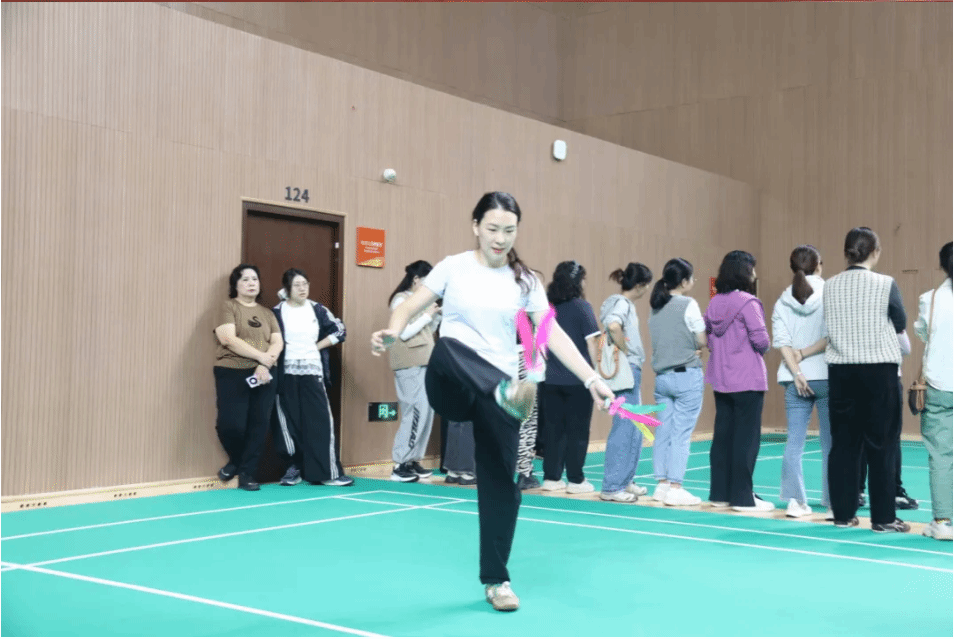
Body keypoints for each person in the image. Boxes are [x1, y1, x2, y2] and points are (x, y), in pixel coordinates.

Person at [371, 191, 614, 612]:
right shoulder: (454, 267)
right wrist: (393, 329)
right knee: (448, 348)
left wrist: (591, 377)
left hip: (498, 396)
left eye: (509, 230)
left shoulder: (526, 282)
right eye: (492, 229)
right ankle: (501, 390)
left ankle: (497, 580)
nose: (500, 238)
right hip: (452, 383)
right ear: (475, 227)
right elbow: (409, 305)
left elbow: (550, 333)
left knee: (503, 486)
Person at [824, 227, 909, 533]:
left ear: (846, 253)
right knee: (882, 444)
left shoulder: (830, 285)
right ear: (875, 252)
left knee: (844, 444)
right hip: (879, 371)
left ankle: (843, 514)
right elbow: (900, 321)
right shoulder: (885, 283)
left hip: (841, 371)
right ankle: (883, 518)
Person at [271, 269, 353, 487]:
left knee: (320, 421)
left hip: (312, 371)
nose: (302, 288)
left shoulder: (317, 309)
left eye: (305, 284)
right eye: (297, 285)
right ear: (287, 288)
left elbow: (340, 331)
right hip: (285, 374)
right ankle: (294, 467)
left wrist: (316, 347)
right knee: (289, 422)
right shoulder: (277, 312)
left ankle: (328, 473)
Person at [705, 251, 773, 512]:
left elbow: (706, 334)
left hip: (721, 379)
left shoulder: (714, 303)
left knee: (723, 437)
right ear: (745, 272)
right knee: (746, 438)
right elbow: (761, 341)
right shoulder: (749, 302)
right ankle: (743, 497)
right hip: (748, 379)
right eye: (752, 268)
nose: (755, 273)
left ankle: (719, 494)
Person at [771, 245, 830, 518]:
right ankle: (834, 502)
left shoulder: (782, 301)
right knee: (831, 443)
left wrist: (797, 373)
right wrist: (806, 354)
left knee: (794, 443)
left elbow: (783, 343)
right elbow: (831, 337)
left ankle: (795, 502)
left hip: (794, 381)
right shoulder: (830, 293)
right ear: (819, 265)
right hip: (827, 376)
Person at [213, 264, 283, 491]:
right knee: (230, 425)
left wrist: (265, 363)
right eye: (245, 279)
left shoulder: (268, 313)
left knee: (259, 425)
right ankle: (236, 461)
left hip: (265, 374)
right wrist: (261, 357)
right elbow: (227, 339)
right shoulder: (228, 306)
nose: (251, 283)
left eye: (254, 279)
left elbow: (278, 342)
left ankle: (247, 473)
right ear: (235, 285)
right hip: (232, 370)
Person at [648, 258, 707, 507]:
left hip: (662, 378)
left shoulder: (656, 307)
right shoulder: (688, 304)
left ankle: (662, 485)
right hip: (686, 376)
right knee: (681, 434)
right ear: (684, 282)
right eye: (691, 278)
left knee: (663, 432)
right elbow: (701, 340)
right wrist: (694, 346)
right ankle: (676, 487)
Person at [539, 261, 601, 494]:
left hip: (550, 380)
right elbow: (592, 342)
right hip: (578, 381)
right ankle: (576, 480)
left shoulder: (546, 308)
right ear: (578, 282)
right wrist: (596, 374)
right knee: (578, 431)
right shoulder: (582, 307)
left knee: (553, 430)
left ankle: (551, 478)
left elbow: (541, 343)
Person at [599, 262, 654, 502]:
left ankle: (625, 480)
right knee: (624, 428)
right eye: (647, 284)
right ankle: (612, 487)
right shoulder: (621, 303)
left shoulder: (618, 303)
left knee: (634, 428)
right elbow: (613, 325)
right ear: (640, 285)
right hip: (627, 371)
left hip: (629, 372)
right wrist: (625, 349)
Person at [386, 261, 441, 482]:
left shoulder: (421, 302)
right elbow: (404, 333)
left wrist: (435, 316)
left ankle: (412, 460)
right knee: (415, 412)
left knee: (426, 412)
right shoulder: (400, 300)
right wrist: (427, 315)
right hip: (409, 364)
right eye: (427, 282)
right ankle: (400, 464)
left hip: (425, 361)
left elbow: (427, 331)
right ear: (416, 279)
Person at [915, 241, 953, 540]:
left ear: (942, 266)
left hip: (940, 384)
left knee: (941, 456)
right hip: (941, 383)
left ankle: (942, 522)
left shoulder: (930, 299)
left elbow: (921, 332)